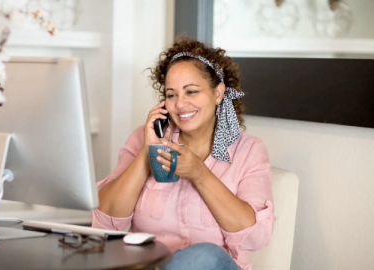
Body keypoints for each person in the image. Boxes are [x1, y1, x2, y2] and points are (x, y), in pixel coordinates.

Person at [92, 37, 276, 270]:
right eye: (171, 95)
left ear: (218, 93)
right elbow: (103, 222)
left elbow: (256, 237)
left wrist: (200, 174)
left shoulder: (249, 151)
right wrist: (147, 153)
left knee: (204, 256)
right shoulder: (143, 138)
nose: (180, 104)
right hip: (148, 266)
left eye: (191, 91)